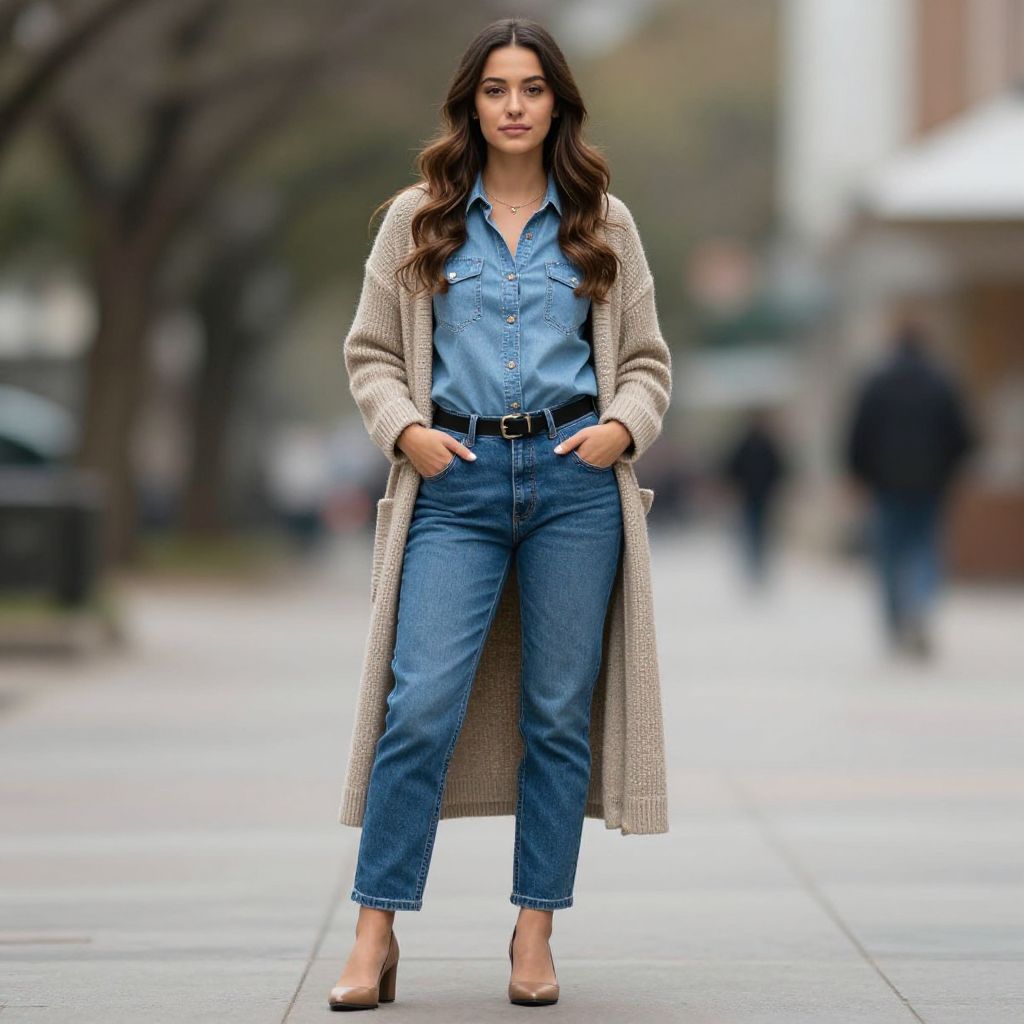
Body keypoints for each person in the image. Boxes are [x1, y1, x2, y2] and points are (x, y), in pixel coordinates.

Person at [330, 17, 672, 1010]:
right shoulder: (417, 219)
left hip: (573, 484)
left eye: (530, 88)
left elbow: (648, 360)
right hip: (456, 481)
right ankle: (374, 928)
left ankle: (533, 930)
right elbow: (371, 353)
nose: (513, 105)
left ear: (557, 103)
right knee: (420, 702)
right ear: (469, 104)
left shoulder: (604, 221)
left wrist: (619, 427)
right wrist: (407, 433)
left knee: (558, 713)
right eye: (495, 89)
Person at [844, 317, 975, 658]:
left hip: (886, 484)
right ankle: (920, 604)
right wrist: (949, 472)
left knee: (889, 554)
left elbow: (858, 435)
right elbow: (963, 436)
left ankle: (896, 618)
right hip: (930, 483)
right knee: (924, 549)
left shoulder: (877, 382)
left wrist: (856, 475)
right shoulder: (942, 381)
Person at [719, 407, 788, 588]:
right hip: (752, 496)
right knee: (753, 533)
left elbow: (780, 468)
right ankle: (754, 568)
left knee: (757, 533)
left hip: (761, 496)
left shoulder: (763, 444)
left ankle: (757, 568)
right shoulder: (749, 444)